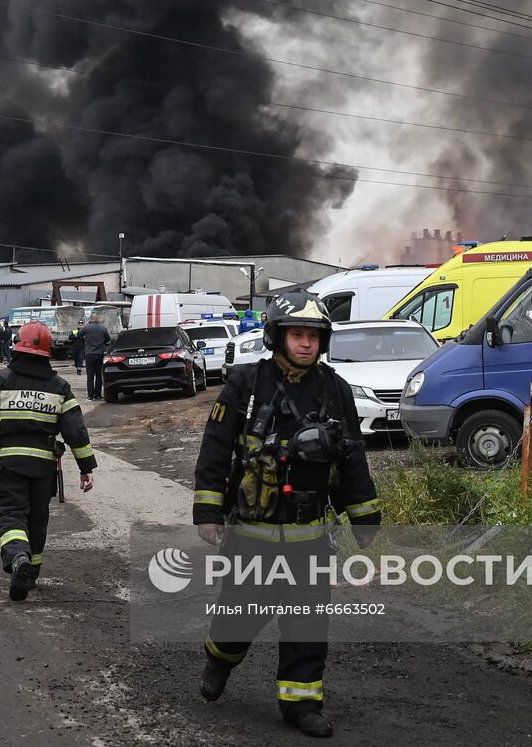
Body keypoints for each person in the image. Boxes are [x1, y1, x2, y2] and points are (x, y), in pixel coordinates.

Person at [192, 291, 381, 738]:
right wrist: (207, 510)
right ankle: (219, 660)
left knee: (308, 624)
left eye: (314, 336)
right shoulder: (244, 385)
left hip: (310, 536)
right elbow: (216, 448)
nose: (306, 344)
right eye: (297, 334)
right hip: (252, 533)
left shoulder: (335, 390)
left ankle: (302, 704)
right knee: (239, 615)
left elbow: (352, 457)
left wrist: (365, 519)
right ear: (278, 336)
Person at [0, 322, 96, 600]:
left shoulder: (1, 380)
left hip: (9, 464)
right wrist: (86, 467)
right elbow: (75, 431)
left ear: (17, 347)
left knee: (9, 515)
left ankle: (18, 559)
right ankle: (31, 573)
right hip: (43, 468)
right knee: (37, 520)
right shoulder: (60, 387)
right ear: (47, 352)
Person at [80, 312, 111, 400]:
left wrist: (85, 340)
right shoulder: (103, 328)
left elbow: (79, 336)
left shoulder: (86, 327)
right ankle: (98, 395)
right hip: (100, 354)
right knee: (98, 375)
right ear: (98, 319)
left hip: (89, 354)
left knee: (90, 376)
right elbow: (108, 339)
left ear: (91, 319)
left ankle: (90, 396)